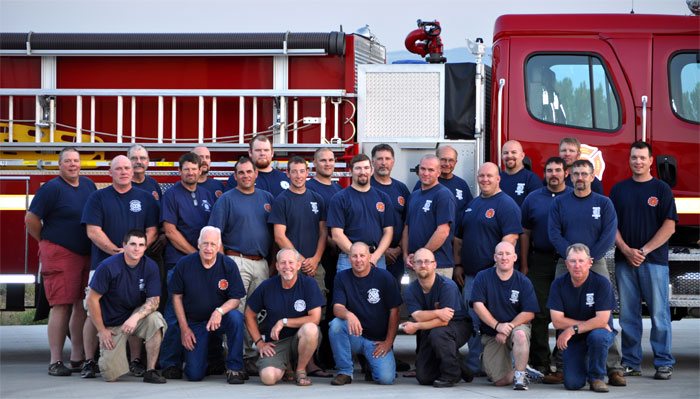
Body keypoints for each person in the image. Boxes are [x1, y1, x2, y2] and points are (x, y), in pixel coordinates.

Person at [80, 155, 159, 379]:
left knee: (134, 309)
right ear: (110, 172)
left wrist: (136, 251)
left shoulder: (145, 198)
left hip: (137, 265)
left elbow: (152, 230)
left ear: (133, 171)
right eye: (119, 168)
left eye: (127, 168)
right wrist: (117, 252)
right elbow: (93, 231)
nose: (124, 172)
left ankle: (135, 361)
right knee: (91, 311)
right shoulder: (97, 198)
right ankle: (89, 361)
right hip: (103, 264)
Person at [548, 159, 625, 386]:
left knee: (605, 316)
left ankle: (613, 368)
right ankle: (563, 365)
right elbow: (554, 233)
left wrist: (590, 259)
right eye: (576, 174)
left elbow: (608, 235)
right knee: (562, 313)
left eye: (584, 174)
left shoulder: (604, 203)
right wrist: (571, 257)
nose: (580, 178)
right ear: (569, 177)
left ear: (593, 177)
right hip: (565, 262)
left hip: (596, 262)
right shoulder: (560, 203)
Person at [25, 147, 96, 376]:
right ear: (59, 165)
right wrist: (46, 240)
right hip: (60, 253)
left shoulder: (87, 185)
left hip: (85, 253)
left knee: (81, 305)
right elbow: (31, 219)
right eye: (68, 161)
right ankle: (55, 361)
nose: (73, 165)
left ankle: (77, 357)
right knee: (61, 305)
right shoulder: (51, 189)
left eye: (76, 161)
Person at [610, 141, 677, 380]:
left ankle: (663, 362)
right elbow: (612, 226)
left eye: (642, 158)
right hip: (624, 260)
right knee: (628, 315)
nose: (638, 161)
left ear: (651, 161)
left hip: (654, 261)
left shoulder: (661, 190)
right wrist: (627, 250)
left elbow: (669, 227)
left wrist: (644, 251)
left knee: (659, 314)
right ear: (629, 160)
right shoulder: (618, 190)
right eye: (634, 157)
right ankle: (631, 362)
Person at [208, 155, 275, 376]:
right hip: (236, 261)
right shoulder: (226, 199)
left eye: (249, 172)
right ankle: (236, 360)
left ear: (256, 174)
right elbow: (215, 235)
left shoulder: (267, 198)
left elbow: (274, 234)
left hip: (262, 263)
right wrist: (223, 265)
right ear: (235, 176)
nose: (245, 176)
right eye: (241, 172)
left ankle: (252, 357)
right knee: (236, 312)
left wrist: (272, 264)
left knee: (256, 313)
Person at [454, 162, 522, 375]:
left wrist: (497, 270)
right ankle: (475, 365)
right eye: (481, 176)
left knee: (494, 322)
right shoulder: (473, 204)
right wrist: (458, 265)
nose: (484, 179)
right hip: (470, 276)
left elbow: (510, 239)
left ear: (498, 178)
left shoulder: (506, 204)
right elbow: (458, 239)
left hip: (493, 277)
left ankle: (498, 366)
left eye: (489, 176)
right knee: (473, 323)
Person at [269, 155, 330, 377]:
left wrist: (315, 259)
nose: (297, 175)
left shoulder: (317, 199)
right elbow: (279, 235)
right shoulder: (282, 200)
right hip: (289, 266)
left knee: (316, 314)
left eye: (301, 171)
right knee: (287, 310)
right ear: (288, 174)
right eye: (293, 172)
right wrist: (300, 260)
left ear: (308, 173)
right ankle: (287, 363)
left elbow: (323, 232)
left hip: (315, 266)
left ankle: (311, 361)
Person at [159, 152, 217, 379]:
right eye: (187, 169)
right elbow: (171, 232)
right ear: (180, 171)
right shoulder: (172, 195)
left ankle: (213, 360)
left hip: (207, 265)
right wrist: (196, 255)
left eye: (195, 168)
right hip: (179, 264)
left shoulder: (207, 194)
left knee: (207, 312)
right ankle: (170, 363)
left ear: (201, 169)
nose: (191, 172)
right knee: (175, 314)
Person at [85, 229, 166, 383]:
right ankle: (110, 361)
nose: (137, 248)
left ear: (145, 247)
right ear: (124, 245)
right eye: (133, 244)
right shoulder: (108, 266)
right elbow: (92, 300)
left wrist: (135, 318)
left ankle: (151, 370)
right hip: (113, 323)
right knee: (111, 376)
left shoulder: (150, 266)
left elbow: (154, 301)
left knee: (156, 320)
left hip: (134, 317)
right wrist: (102, 330)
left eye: (141, 245)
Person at [168, 226, 247, 383]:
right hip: (195, 323)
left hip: (219, 321)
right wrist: (185, 329)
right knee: (195, 375)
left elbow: (236, 299)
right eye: (205, 243)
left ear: (219, 246)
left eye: (212, 244)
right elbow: (176, 297)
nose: (208, 248)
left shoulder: (228, 265)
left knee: (236, 317)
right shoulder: (184, 264)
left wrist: (219, 311)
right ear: (198, 244)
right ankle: (208, 357)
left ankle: (235, 368)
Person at [519, 156, 572, 376]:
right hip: (538, 260)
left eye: (558, 170)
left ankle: (562, 360)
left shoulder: (573, 196)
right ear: (544, 174)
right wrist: (523, 264)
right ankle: (540, 361)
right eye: (549, 170)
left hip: (566, 261)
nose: (553, 174)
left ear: (566, 173)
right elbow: (525, 233)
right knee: (538, 312)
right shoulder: (532, 198)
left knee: (566, 311)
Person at [244, 248, 324, 386]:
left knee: (311, 329)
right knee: (267, 378)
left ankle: (300, 370)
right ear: (277, 266)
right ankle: (286, 367)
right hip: (277, 343)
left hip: (300, 339)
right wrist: (259, 343)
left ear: (299, 265)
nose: (287, 267)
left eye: (291, 262)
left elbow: (315, 318)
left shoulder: (309, 284)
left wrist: (284, 322)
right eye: (283, 263)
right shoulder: (267, 286)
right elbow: (249, 315)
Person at [328, 242, 402, 386]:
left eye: (362, 255)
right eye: (354, 256)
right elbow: (337, 307)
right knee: (336, 325)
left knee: (386, 379)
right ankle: (345, 372)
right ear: (349, 258)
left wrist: (388, 342)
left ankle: (371, 364)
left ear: (370, 257)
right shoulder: (342, 277)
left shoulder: (385, 277)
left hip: (376, 341)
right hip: (355, 336)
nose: (358, 260)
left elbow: (395, 311)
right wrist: (349, 315)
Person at [547, 243, 617, 392]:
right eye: (572, 261)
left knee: (598, 337)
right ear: (566, 263)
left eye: (581, 261)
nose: (577, 265)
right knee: (572, 384)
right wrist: (583, 326)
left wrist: (572, 328)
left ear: (590, 262)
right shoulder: (558, 284)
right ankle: (583, 363)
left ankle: (597, 377)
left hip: (598, 332)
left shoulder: (602, 283)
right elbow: (557, 321)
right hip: (575, 337)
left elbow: (603, 320)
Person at [471, 241, 538, 390]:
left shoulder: (523, 281)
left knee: (520, 334)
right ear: (494, 257)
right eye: (500, 254)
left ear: (515, 257)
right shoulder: (482, 277)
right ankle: (522, 368)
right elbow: (477, 305)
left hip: (514, 328)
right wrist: (497, 326)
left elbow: (529, 313)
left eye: (508, 254)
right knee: (500, 381)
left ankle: (520, 377)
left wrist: (508, 327)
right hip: (493, 333)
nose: (504, 257)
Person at [400, 248, 472, 388]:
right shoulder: (411, 290)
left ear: (435, 265)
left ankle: (451, 375)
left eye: (427, 261)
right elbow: (417, 315)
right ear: (413, 265)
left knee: (438, 334)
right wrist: (437, 312)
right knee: (424, 377)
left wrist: (416, 326)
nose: (423, 265)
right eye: (419, 262)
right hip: (432, 327)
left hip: (458, 325)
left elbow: (444, 321)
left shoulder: (447, 286)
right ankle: (457, 363)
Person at [305, 147, 343, 370]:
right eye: (323, 160)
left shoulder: (338, 189)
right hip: (314, 260)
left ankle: (328, 357)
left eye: (331, 160)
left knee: (331, 308)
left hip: (335, 259)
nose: (328, 164)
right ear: (314, 163)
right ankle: (312, 357)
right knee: (315, 310)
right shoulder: (308, 189)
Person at [327, 153, 394, 271]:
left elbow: (388, 231)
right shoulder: (339, 198)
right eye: (358, 168)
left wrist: (374, 256)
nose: (363, 172)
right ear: (350, 171)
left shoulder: (383, 198)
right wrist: (358, 256)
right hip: (349, 260)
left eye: (366, 168)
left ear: (371, 170)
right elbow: (337, 234)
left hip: (377, 259)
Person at [403, 154, 456, 278]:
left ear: (438, 172)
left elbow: (443, 231)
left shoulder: (443, 195)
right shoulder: (414, 196)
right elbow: (406, 229)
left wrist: (420, 256)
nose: (426, 173)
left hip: (438, 266)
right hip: (414, 265)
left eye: (431, 170)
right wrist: (406, 256)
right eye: (423, 169)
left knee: (437, 298)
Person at [370, 144, 411, 282]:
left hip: (397, 256)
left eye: (387, 159)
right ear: (372, 162)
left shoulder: (401, 189)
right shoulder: (366, 187)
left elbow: (408, 223)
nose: (383, 162)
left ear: (393, 162)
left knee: (394, 295)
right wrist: (382, 251)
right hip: (371, 256)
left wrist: (399, 249)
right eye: (379, 159)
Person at [413, 145, 473, 219]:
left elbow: (469, 213)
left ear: (456, 162)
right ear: (436, 160)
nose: (447, 164)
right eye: (443, 160)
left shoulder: (462, 184)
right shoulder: (423, 183)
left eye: (451, 160)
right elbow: (413, 213)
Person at [224, 135, 289, 196]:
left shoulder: (286, 179)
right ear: (250, 153)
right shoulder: (238, 179)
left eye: (266, 150)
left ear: (272, 153)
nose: (262, 153)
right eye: (258, 150)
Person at [499, 140, 542, 207]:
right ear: (502, 156)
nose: (509, 156)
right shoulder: (496, 179)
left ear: (522, 156)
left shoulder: (532, 179)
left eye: (514, 152)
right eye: (505, 153)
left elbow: (537, 209)